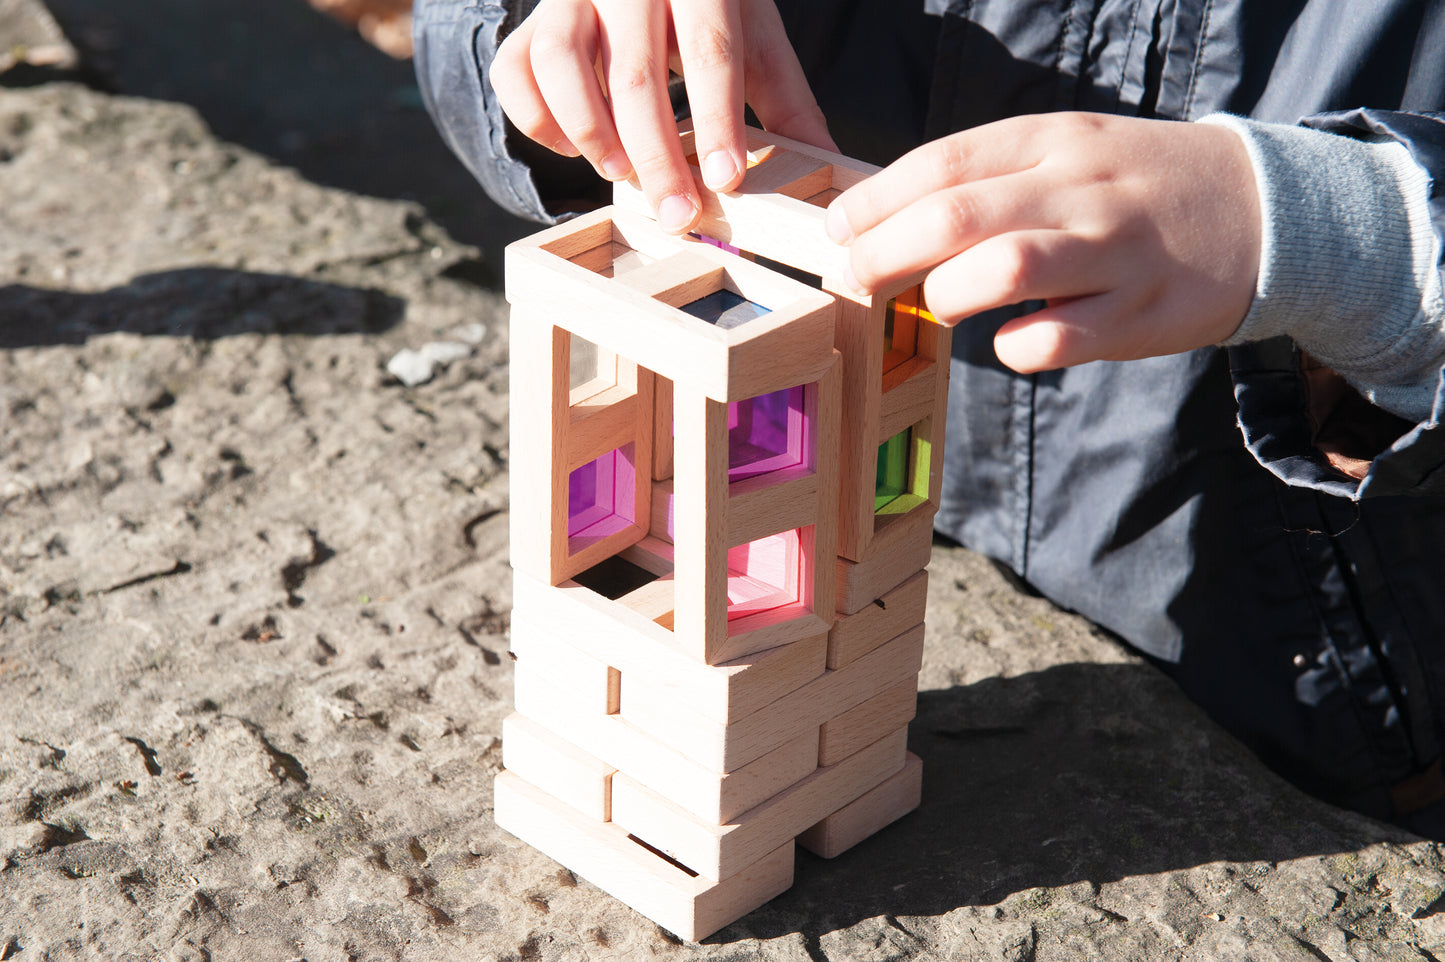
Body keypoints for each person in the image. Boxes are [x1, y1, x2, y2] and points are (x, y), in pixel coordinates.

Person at [410, 0, 1445, 836]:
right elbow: (453, 33)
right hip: (836, 548)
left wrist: (1344, 232)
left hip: (1311, 679)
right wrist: (541, 40)